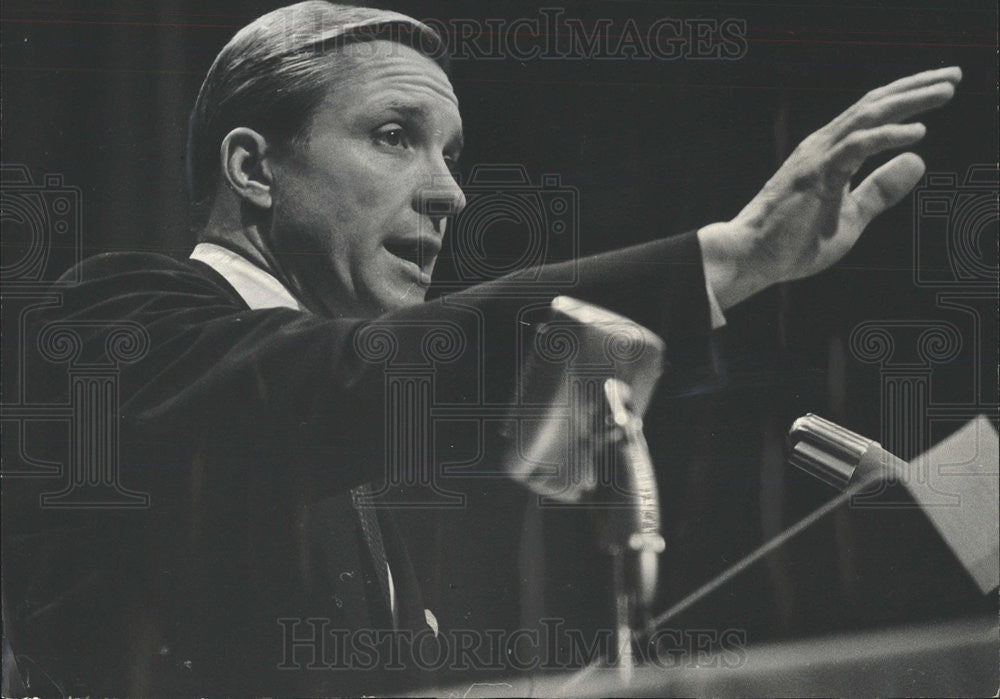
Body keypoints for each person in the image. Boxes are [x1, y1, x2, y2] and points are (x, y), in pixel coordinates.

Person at [1, 1, 961, 694]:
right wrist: (731, 261)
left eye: (451, 153)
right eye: (394, 136)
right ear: (253, 167)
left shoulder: (360, 447)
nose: (450, 192)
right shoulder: (114, 321)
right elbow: (343, 380)